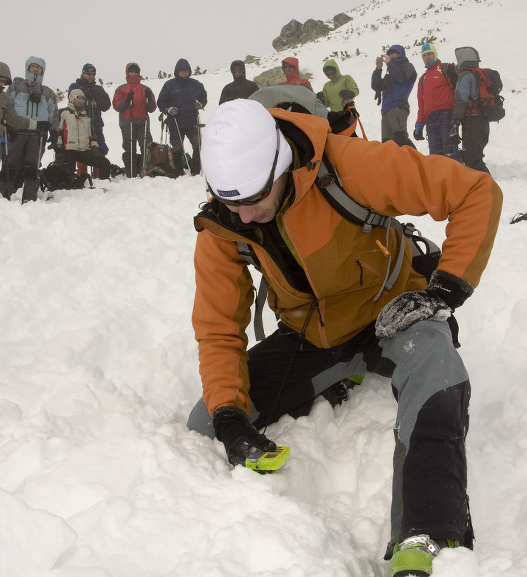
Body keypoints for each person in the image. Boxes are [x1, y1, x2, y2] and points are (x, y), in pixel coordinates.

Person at [187, 99, 502, 576]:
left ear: (282, 166)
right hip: (311, 337)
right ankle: (338, 377)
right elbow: (217, 328)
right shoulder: (224, 224)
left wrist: (444, 291)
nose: (244, 216)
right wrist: (230, 417)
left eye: (253, 199)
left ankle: (430, 533)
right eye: (231, 202)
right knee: (208, 421)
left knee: (436, 362)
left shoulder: (347, 166)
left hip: (392, 315)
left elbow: (476, 191)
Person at [0, 62, 37, 194]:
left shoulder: (5, 98)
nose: (1, 84)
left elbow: (13, 119)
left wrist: (33, 124)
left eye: (4, 82)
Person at [5, 56, 56, 202]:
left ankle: (29, 196)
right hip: (17, 130)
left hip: (38, 133)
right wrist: (8, 125)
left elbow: (54, 114)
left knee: (32, 165)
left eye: (38, 67)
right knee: (11, 163)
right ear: (27, 68)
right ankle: (4, 195)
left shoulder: (47, 92)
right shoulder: (16, 87)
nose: (35, 69)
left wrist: (53, 131)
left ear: (42, 70)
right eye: (32, 66)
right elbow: (7, 107)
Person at [157, 58, 207, 175]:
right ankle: (179, 171)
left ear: (189, 71)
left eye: (186, 71)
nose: (184, 73)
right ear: (177, 72)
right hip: (175, 121)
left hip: (192, 120)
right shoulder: (169, 85)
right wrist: (167, 109)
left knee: (197, 144)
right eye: (181, 71)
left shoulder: (196, 84)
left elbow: (203, 97)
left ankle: (196, 170)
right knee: (177, 147)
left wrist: (201, 104)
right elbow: (161, 101)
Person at [414, 43, 461, 161]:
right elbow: (422, 104)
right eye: (424, 55)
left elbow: (460, 88)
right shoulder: (423, 79)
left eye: (430, 54)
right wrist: (419, 124)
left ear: (435, 54)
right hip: (430, 118)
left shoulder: (446, 69)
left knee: (449, 148)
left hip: (446, 114)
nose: (427, 57)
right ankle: (439, 178)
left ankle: (456, 176)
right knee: (435, 153)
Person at [52, 89, 111, 181]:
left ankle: (103, 183)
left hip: (83, 150)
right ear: (72, 98)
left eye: (83, 99)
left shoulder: (86, 117)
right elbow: (58, 132)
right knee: (68, 172)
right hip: (69, 149)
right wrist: (59, 149)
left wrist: (94, 147)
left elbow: (92, 135)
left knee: (104, 163)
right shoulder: (63, 113)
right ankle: (68, 187)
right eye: (78, 98)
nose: (81, 101)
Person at [450, 47, 490, 174]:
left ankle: (487, 187)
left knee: (472, 158)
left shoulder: (465, 75)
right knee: (475, 155)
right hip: (483, 120)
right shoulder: (479, 74)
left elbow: (461, 99)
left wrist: (455, 122)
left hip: (472, 121)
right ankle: (480, 187)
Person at [111, 62, 156, 177]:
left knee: (146, 146)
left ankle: (146, 171)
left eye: (136, 71)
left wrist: (149, 100)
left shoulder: (146, 89)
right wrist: (126, 100)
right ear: (127, 72)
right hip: (127, 122)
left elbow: (152, 108)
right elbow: (116, 106)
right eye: (131, 71)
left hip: (142, 121)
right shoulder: (121, 89)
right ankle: (131, 172)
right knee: (129, 147)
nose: (134, 73)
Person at [68, 63, 111, 178]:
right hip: (79, 124)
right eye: (88, 74)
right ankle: (82, 176)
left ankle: (99, 176)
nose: (91, 76)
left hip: (96, 124)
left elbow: (106, 106)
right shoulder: (75, 86)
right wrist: (85, 94)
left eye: (93, 74)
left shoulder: (98, 88)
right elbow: (71, 99)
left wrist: (97, 96)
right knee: (82, 149)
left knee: (100, 148)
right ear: (83, 74)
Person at [371, 44, 418, 148]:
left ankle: (416, 161)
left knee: (400, 138)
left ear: (401, 54)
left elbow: (400, 78)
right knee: (388, 144)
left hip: (398, 106)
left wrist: (389, 64)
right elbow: (376, 86)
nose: (391, 56)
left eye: (394, 53)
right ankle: (396, 164)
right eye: (389, 54)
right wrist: (378, 69)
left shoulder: (407, 66)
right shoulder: (391, 71)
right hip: (386, 109)